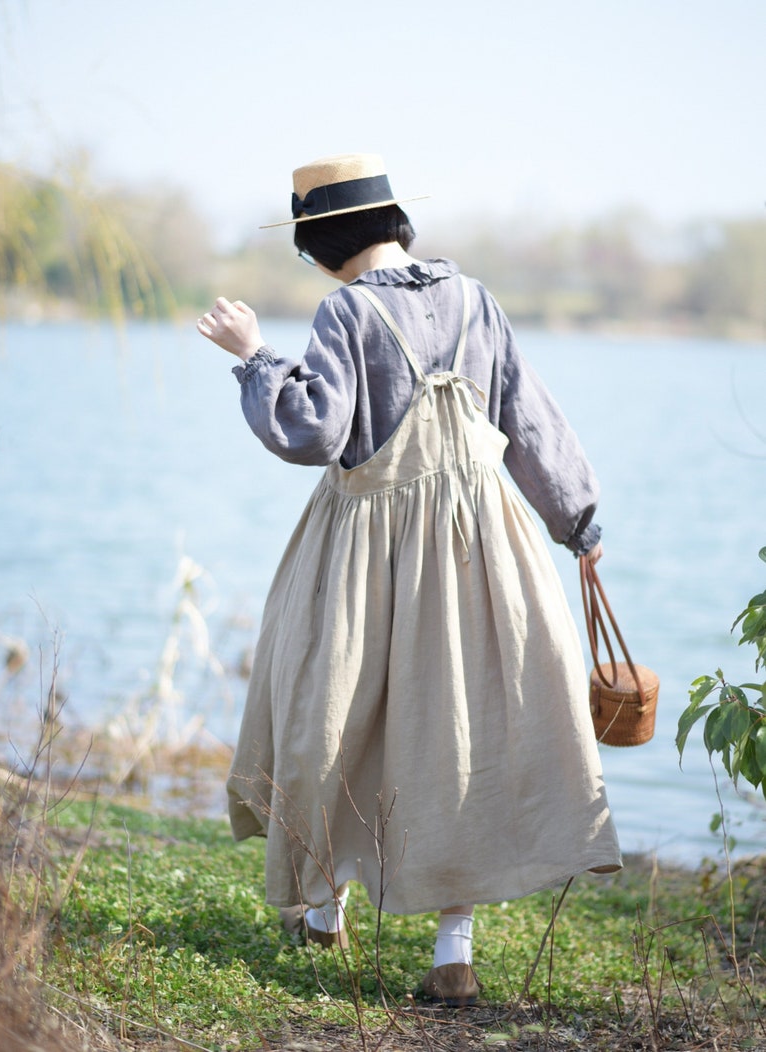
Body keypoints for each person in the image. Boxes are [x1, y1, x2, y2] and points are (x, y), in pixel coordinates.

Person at [197, 153, 621, 1007]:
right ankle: (452, 956)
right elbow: (530, 420)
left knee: (328, 718)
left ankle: (322, 915)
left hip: (364, 550)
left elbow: (313, 433)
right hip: (480, 551)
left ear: (320, 240)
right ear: (394, 222)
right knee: (459, 737)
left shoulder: (345, 313)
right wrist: (577, 523)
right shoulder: (477, 302)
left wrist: (252, 357)